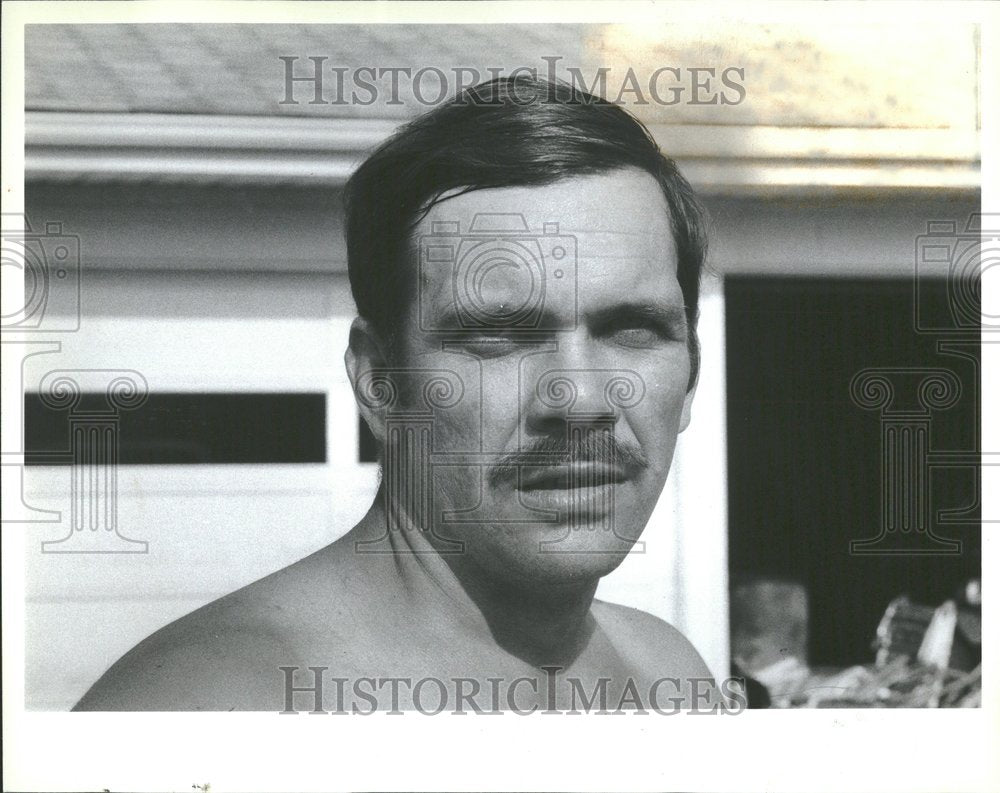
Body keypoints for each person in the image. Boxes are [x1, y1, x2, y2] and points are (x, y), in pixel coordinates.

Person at [75, 76, 720, 713]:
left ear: (690, 374)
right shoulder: (209, 709)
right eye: (499, 337)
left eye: (632, 329)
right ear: (380, 382)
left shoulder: (666, 675)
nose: (580, 400)